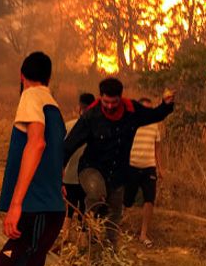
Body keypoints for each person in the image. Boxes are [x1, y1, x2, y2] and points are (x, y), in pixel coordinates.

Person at [0, 52, 67, 266]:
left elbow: (37, 144)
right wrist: (57, 181)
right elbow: (56, 152)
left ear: (22, 75)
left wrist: (16, 204)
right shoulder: (54, 107)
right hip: (49, 208)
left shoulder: (31, 97)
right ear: (48, 78)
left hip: (35, 207)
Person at [63, 78, 175, 246]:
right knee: (96, 193)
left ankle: (110, 249)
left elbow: (153, 115)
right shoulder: (91, 116)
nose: (109, 106)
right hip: (91, 169)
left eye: (113, 102)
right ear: (100, 97)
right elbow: (69, 144)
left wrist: (166, 105)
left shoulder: (131, 111)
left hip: (117, 173)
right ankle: (88, 232)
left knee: (115, 213)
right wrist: (59, 169)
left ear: (120, 98)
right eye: (106, 102)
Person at [123, 97, 165, 248]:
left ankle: (143, 234)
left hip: (149, 167)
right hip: (132, 165)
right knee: (127, 200)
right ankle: (118, 228)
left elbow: (157, 149)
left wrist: (160, 168)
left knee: (149, 199)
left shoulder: (154, 126)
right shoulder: (131, 124)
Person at [62, 93, 95, 235]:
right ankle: (82, 246)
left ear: (79, 108)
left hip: (69, 176)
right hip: (87, 178)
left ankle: (65, 238)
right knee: (85, 211)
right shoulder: (97, 129)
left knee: (69, 211)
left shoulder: (69, 126)